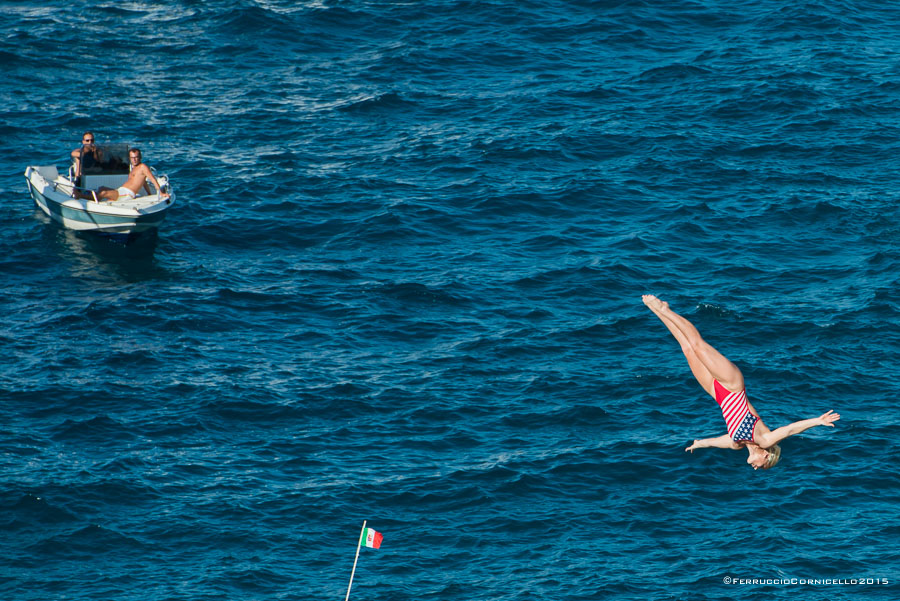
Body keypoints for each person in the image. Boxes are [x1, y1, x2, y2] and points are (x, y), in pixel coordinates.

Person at [642, 294, 840, 470]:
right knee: (698, 345)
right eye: (762, 467)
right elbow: (789, 430)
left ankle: (657, 312)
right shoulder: (765, 440)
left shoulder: (737, 443)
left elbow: (715, 442)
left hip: (717, 393)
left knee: (687, 349)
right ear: (766, 455)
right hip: (732, 386)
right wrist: (818, 421)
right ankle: (665, 309)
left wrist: (699, 444)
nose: (755, 468)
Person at [78, 147, 169, 202]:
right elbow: (143, 182)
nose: (134, 160)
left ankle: (82, 196)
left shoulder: (143, 167)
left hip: (127, 195)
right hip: (122, 191)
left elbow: (153, 179)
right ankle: (93, 197)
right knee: (101, 188)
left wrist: (161, 193)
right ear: (129, 158)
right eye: (132, 158)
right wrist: (149, 193)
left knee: (103, 193)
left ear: (140, 157)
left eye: (136, 157)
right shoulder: (133, 168)